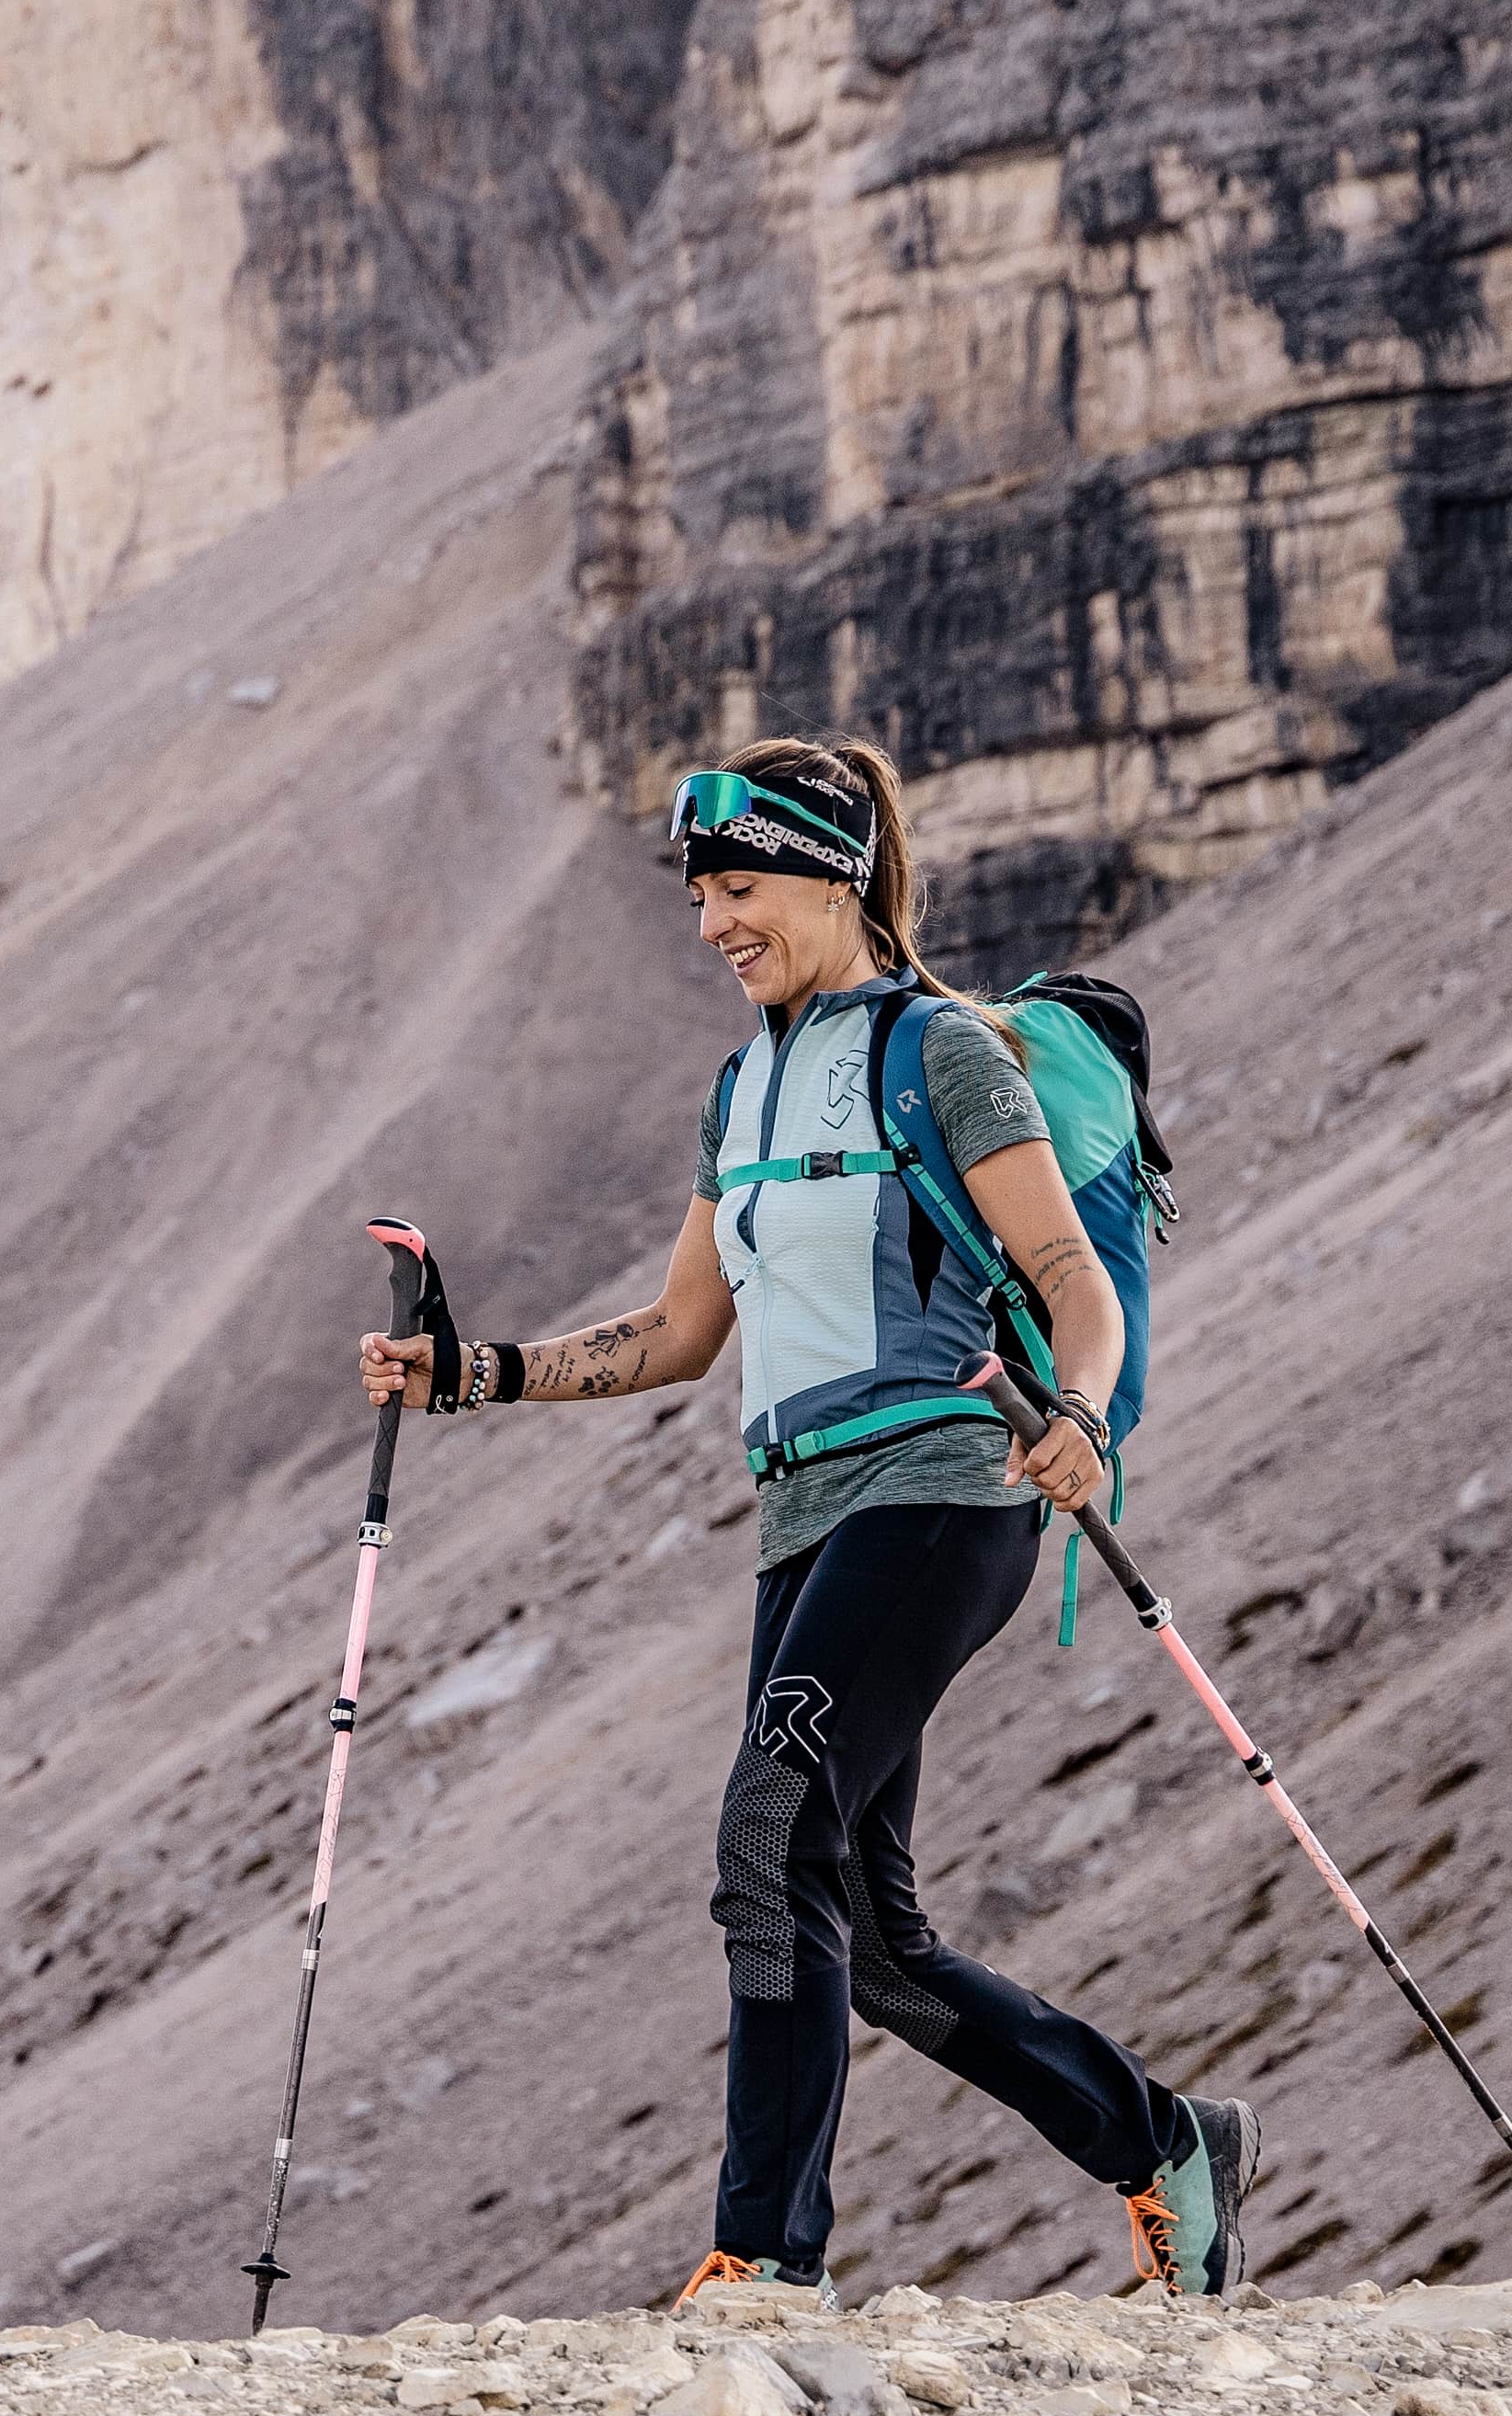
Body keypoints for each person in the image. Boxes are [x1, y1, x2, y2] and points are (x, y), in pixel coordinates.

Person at [355, 737, 1256, 2302]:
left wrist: (1087, 1422)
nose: (713, 924)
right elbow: (680, 1333)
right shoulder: (743, 1082)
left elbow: (1072, 1282)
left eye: (743, 887)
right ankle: (1168, 2141)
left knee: (768, 1834)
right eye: (702, 896)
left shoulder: (943, 1053)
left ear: (834, 875)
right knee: (879, 1945)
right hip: (806, 1517)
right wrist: (471, 1374)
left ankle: (766, 2263)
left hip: (946, 1489)